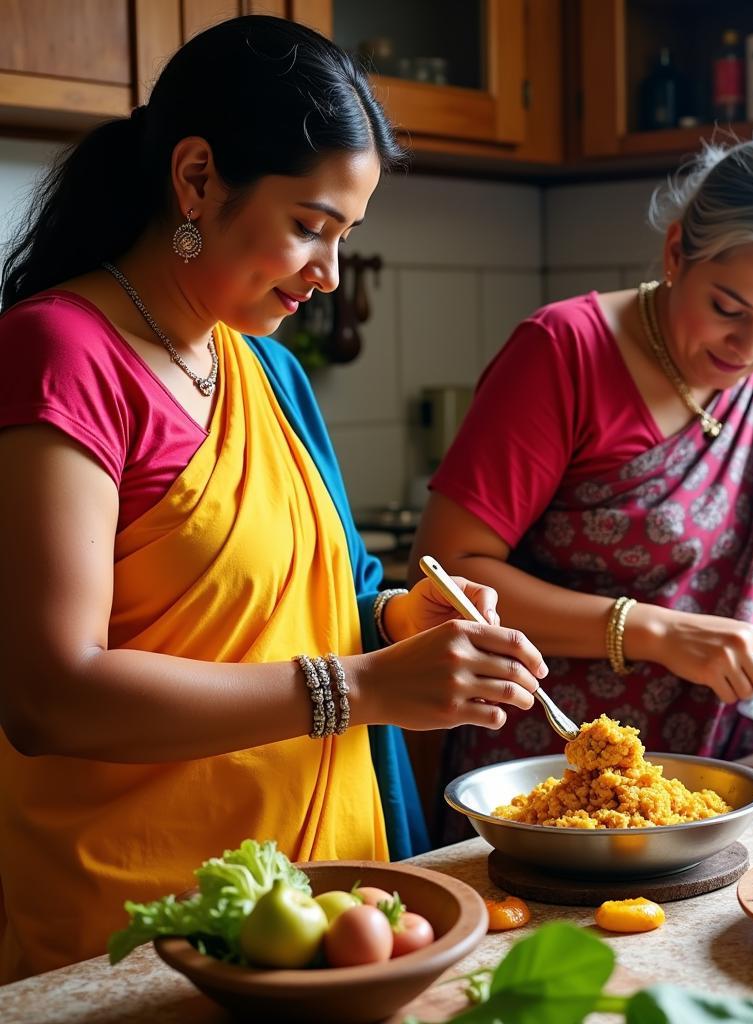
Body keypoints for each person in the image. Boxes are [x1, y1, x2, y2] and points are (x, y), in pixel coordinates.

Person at [0, 16, 547, 982]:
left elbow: (329, 603)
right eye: (309, 227)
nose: (327, 274)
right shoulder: (62, 355)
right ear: (199, 176)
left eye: (346, 238)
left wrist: (401, 620)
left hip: (324, 901)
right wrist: (368, 688)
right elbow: (53, 695)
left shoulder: (269, 372)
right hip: (141, 922)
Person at [412, 134, 753, 837]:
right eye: (728, 308)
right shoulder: (565, 354)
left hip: (739, 786)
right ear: (677, 252)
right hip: (559, 785)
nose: (749, 350)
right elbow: (447, 575)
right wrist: (654, 632)